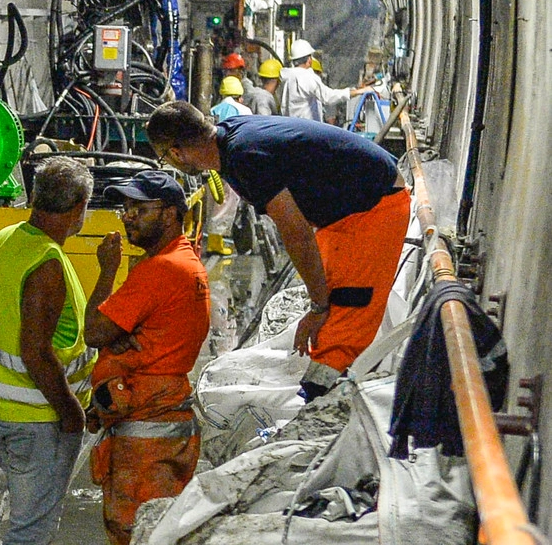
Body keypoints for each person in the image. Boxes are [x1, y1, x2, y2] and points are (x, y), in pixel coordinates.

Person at [145, 103, 410, 401]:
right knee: (330, 308)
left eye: (164, 156)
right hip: (343, 215)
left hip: (373, 209)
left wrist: (318, 306)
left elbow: (296, 234)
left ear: (177, 153)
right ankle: (320, 393)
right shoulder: (231, 139)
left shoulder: (245, 156)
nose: (169, 162)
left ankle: (320, 406)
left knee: (347, 311)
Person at [0, 156, 98, 545]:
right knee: (31, 532)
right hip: (37, 420)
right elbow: (37, 352)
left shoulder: (6, 239)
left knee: (24, 517)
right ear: (79, 209)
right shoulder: (47, 264)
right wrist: (72, 412)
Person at [85, 170, 210, 545]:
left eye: (139, 208)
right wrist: (119, 340)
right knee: (160, 529)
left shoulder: (160, 269)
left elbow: (94, 332)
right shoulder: (185, 261)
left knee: (133, 530)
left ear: (170, 213)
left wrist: (106, 271)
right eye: (125, 208)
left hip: (144, 434)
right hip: (160, 418)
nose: (127, 216)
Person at [278, 39, 372, 122]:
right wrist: (360, 91)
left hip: (291, 128)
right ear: (309, 60)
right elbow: (328, 97)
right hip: (307, 131)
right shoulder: (308, 78)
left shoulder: (287, 78)